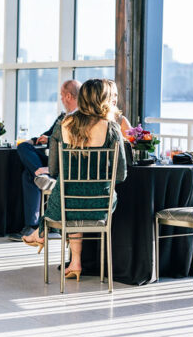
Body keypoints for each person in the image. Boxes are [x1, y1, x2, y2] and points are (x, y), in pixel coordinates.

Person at [22, 79, 127, 280]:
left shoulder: (63, 125)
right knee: (80, 197)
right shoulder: (113, 129)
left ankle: (44, 234)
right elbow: (120, 174)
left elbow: (52, 169)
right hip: (101, 203)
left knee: (67, 194)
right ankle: (74, 261)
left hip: (66, 202)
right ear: (104, 99)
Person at [10, 80, 80, 240]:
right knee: (23, 148)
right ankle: (39, 174)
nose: (61, 99)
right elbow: (48, 134)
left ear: (68, 96)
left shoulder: (78, 119)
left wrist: (49, 141)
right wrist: (35, 140)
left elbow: (66, 142)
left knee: (28, 177)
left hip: (64, 163)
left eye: (62, 96)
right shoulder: (62, 116)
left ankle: (32, 226)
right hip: (51, 160)